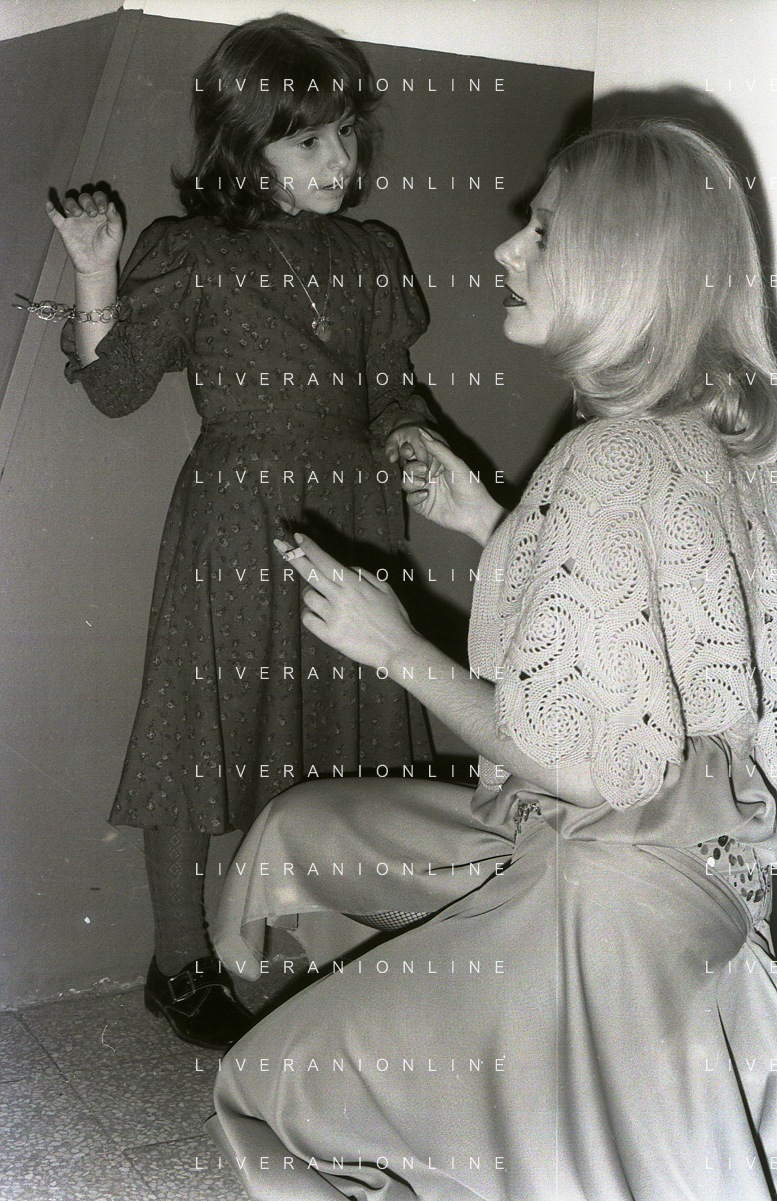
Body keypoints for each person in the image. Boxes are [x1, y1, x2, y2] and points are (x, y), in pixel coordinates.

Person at [206, 120, 777, 1200]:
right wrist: (488, 519)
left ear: (621, 270)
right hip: (691, 872)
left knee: (265, 1094)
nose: (508, 249)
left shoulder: (609, 455)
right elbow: (630, 611)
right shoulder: (706, 436)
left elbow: (588, 768)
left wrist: (396, 648)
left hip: (600, 892)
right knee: (305, 830)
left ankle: (468, 1076)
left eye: (544, 232)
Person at [42, 14, 433, 1051]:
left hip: (352, 518)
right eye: (307, 140)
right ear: (246, 148)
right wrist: (96, 273)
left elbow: (390, 392)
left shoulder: (371, 253)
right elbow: (116, 388)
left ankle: (332, 951)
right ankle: (178, 962)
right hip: (236, 518)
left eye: (345, 133)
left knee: (344, 730)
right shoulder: (193, 251)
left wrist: (413, 441)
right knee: (198, 727)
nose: (338, 159)